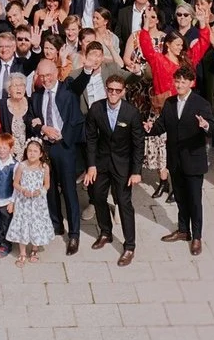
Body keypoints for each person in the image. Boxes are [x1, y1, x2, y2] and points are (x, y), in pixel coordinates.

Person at [148, 68, 214, 254]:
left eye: (183, 82)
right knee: (180, 197)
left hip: (193, 160)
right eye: (177, 81)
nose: (179, 85)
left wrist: (205, 125)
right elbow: (161, 125)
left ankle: (197, 236)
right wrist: (149, 128)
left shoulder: (200, 103)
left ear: (191, 83)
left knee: (194, 200)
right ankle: (183, 230)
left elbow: (213, 129)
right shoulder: (170, 102)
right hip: (175, 160)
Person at [82, 71, 144, 265]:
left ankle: (130, 245)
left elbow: (138, 144)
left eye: (118, 90)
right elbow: (91, 138)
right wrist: (91, 165)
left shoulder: (131, 113)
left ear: (123, 91)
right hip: (101, 163)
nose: (114, 93)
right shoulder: (96, 108)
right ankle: (105, 232)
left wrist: (136, 172)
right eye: (111, 90)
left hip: (122, 165)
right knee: (98, 197)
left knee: (124, 203)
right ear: (106, 90)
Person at [26, 57, 85, 254]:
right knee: (49, 189)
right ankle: (56, 224)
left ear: (57, 73)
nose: (45, 79)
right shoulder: (37, 96)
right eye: (42, 76)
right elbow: (31, 119)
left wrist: (63, 138)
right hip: (46, 148)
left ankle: (74, 234)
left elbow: (76, 120)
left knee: (69, 190)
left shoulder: (68, 93)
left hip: (64, 147)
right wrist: (43, 128)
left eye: (49, 75)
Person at [8, 137, 55, 263]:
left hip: (38, 202)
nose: (32, 154)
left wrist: (41, 191)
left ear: (41, 154)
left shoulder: (44, 167)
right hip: (24, 201)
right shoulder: (22, 166)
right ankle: (22, 252)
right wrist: (23, 190)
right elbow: (15, 183)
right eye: (29, 151)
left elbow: (47, 184)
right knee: (23, 224)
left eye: (35, 151)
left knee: (36, 223)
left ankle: (34, 248)